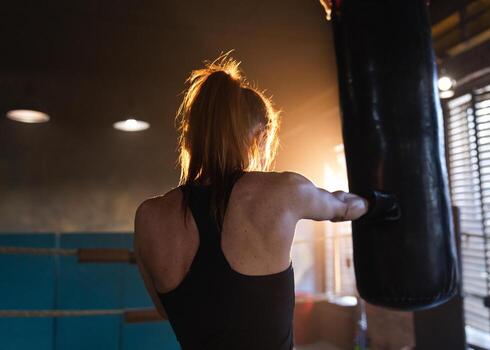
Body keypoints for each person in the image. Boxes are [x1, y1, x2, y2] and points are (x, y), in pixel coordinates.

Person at [133, 55, 369, 350]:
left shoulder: (148, 217)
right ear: (260, 136)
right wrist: (377, 202)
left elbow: (165, 310)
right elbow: (345, 207)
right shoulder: (282, 190)